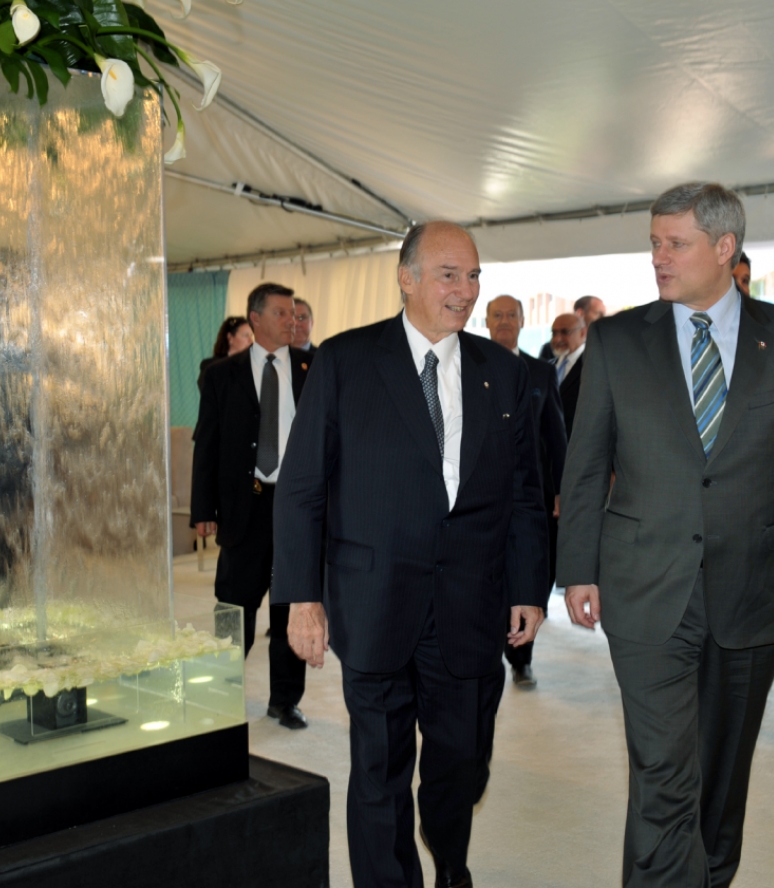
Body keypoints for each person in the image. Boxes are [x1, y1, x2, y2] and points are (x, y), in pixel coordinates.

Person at [558, 182, 774, 888]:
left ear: (725, 248)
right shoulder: (620, 339)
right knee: (663, 771)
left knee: (721, 782)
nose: (658, 256)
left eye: (675, 243)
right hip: (644, 586)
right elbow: (587, 461)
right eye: (655, 241)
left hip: (753, 589)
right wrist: (577, 570)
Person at [274, 222, 547, 888]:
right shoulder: (345, 362)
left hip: (470, 607)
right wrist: (301, 598)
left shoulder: (504, 373)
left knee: (460, 766)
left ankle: (449, 863)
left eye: (474, 276)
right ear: (407, 277)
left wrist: (529, 588)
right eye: (450, 275)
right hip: (374, 602)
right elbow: (303, 488)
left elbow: (526, 494)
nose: (465, 291)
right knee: (377, 770)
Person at [191, 284, 311, 730]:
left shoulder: (310, 368)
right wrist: (203, 506)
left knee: (288, 609)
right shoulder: (223, 375)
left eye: (295, 314)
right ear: (255, 318)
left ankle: (285, 700)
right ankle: (223, 688)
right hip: (247, 507)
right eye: (282, 313)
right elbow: (208, 443)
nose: (292, 321)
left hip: (296, 509)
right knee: (235, 606)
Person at [486, 294, 567, 688]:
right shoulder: (467, 363)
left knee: (531, 572)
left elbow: (556, 434)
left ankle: (521, 658)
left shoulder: (540, 372)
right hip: (480, 495)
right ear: (486, 321)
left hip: (531, 495)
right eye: (497, 315)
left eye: (511, 315)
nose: (504, 321)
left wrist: (561, 490)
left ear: (522, 321)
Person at [550, 312, 587, 437]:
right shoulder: (547, 367)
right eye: (554, 333)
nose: (558, 339)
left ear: (583, 333)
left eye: (565, 332)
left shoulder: (593, 366)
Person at [198, 315, 254, 388]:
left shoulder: (252, 367)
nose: (251, 341)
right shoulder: (210, 366)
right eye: (245, 336)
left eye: (251, 336)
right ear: (230, 338)